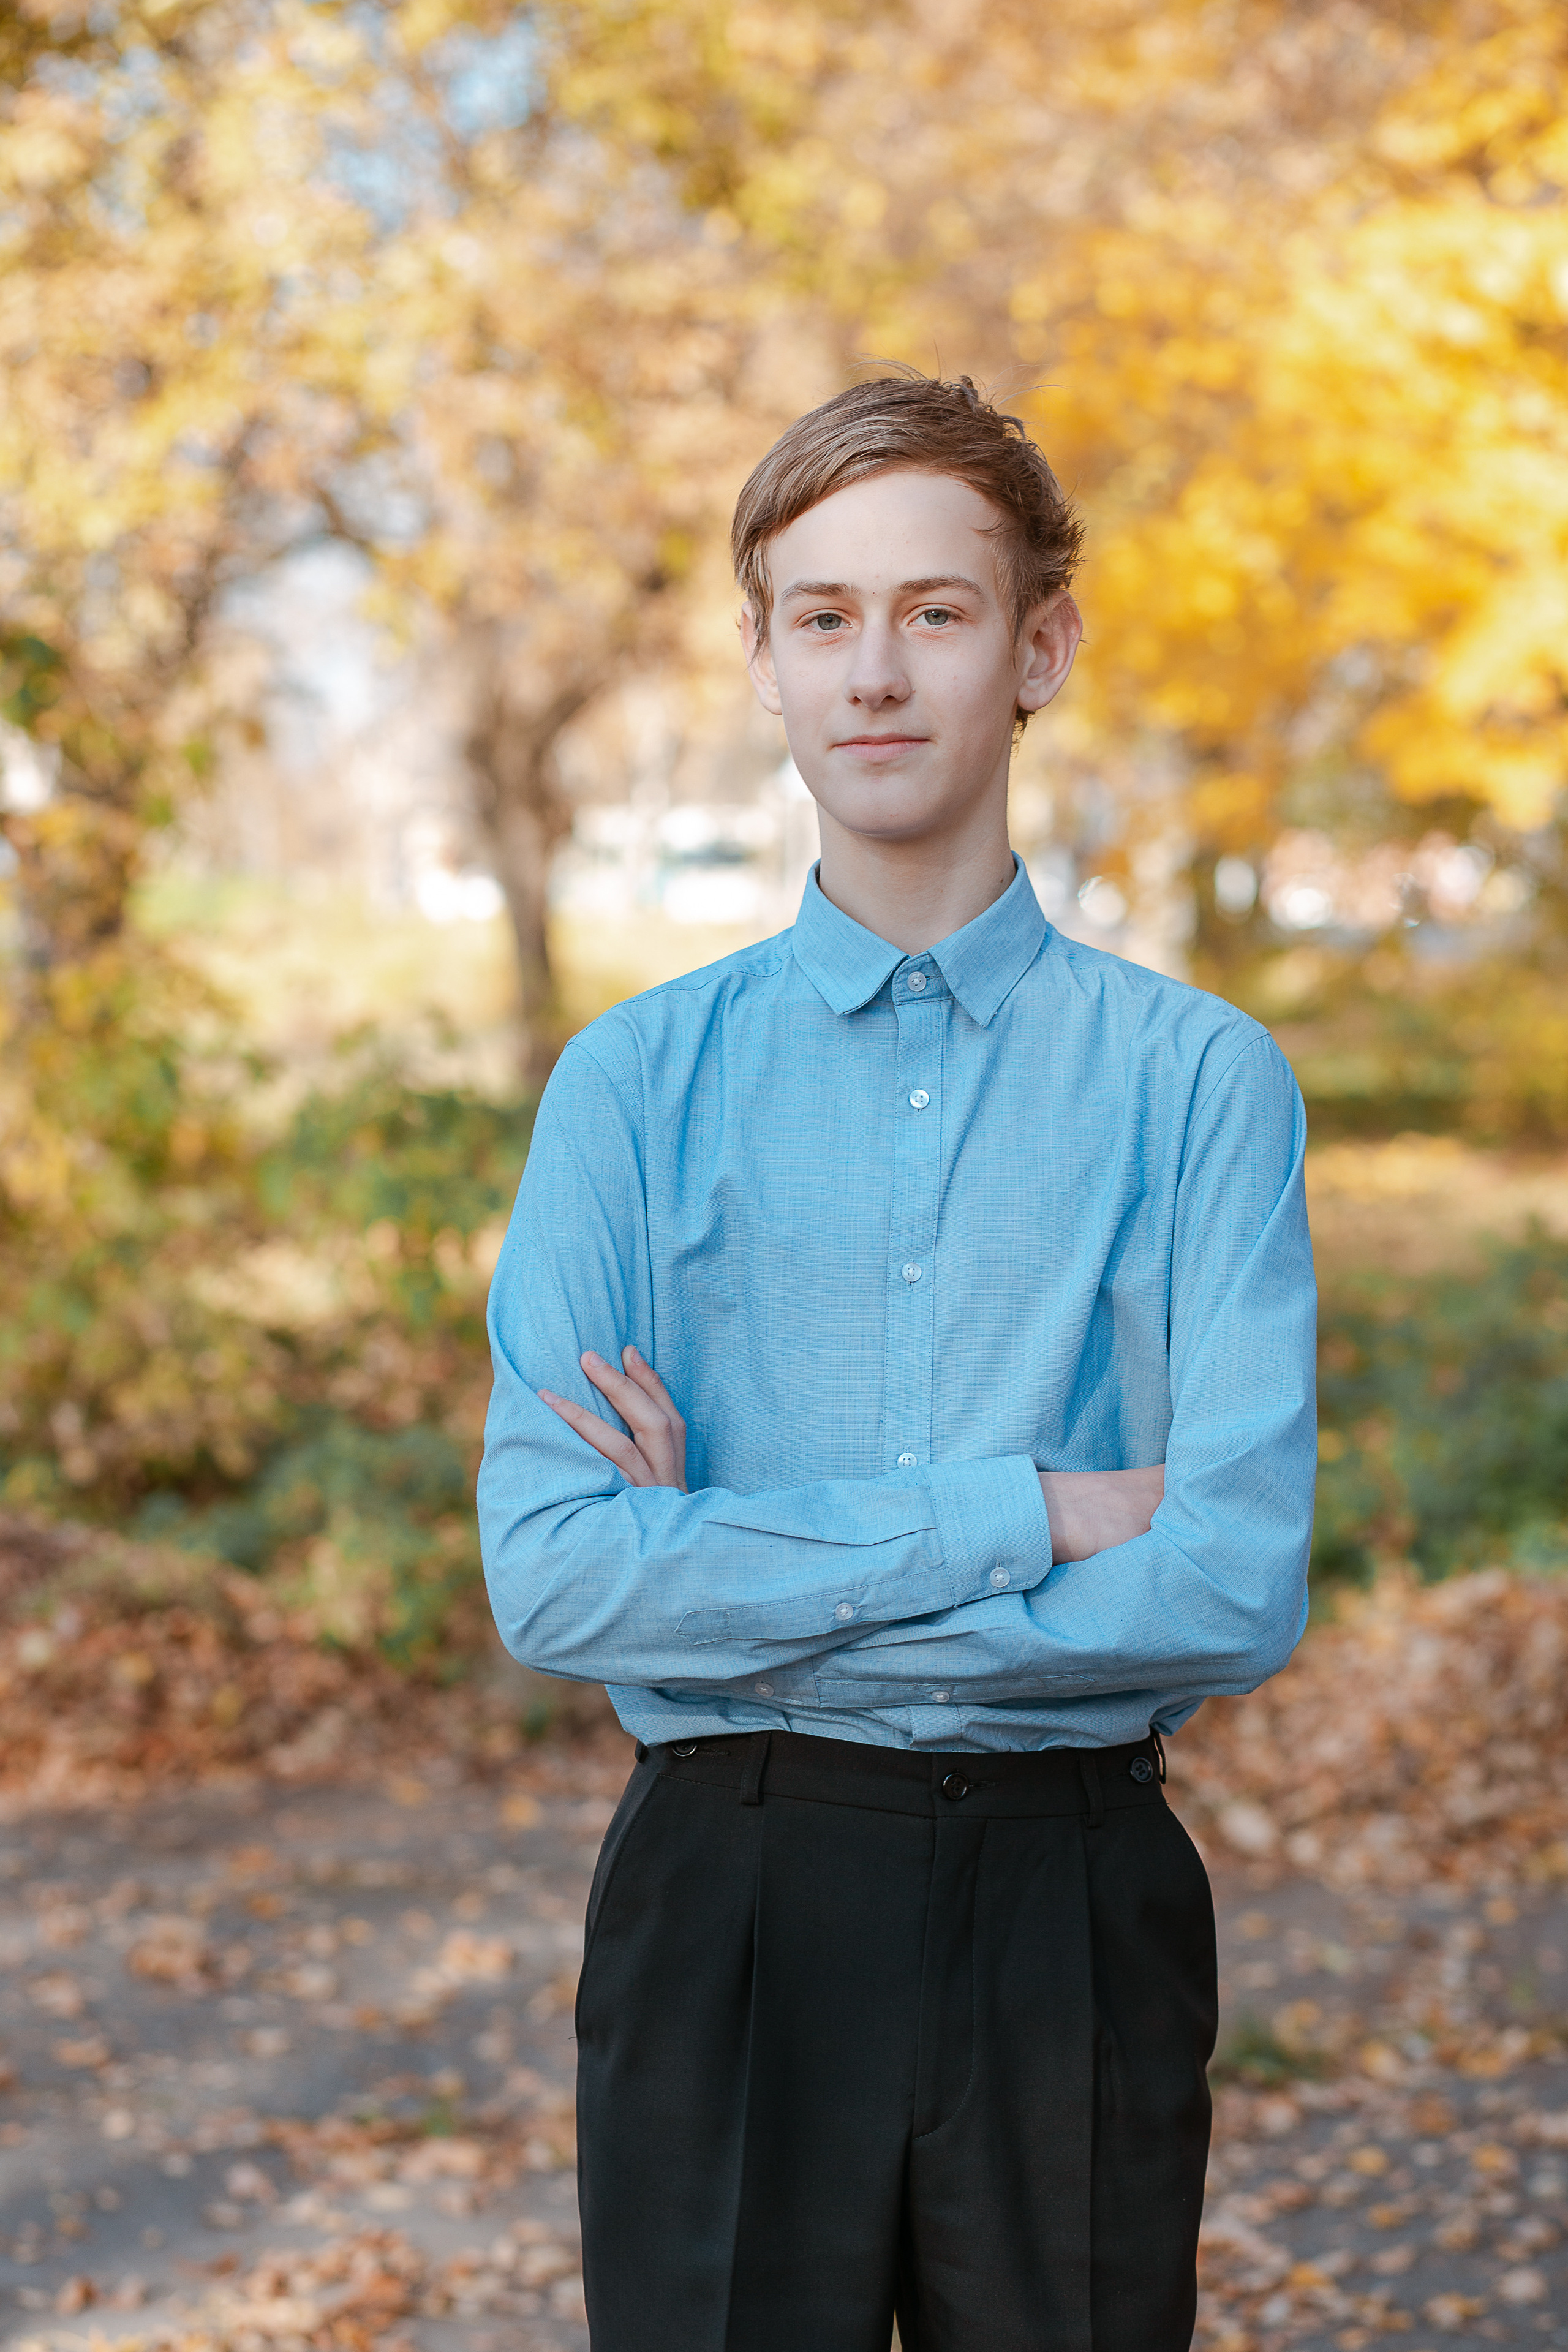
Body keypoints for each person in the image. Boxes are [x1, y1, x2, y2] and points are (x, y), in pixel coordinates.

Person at [477, 371, 1316, 2352]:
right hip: (730, 1908)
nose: (875, 669)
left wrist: (732, 1576)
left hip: (1069, 1911)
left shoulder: (1202, 1085)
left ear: (1039, 651)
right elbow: (560, 1578)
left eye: (936, 611)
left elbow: (1227, 1583)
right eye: (824, 614)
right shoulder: (630, 1089)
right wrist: (1027, 1516)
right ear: (762, 660)